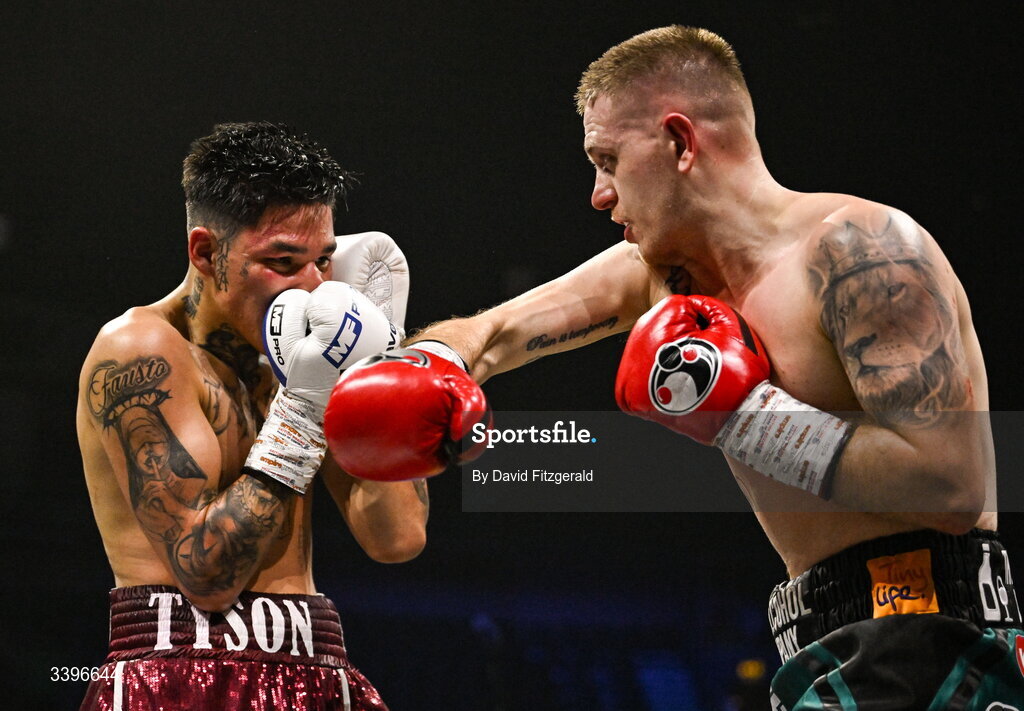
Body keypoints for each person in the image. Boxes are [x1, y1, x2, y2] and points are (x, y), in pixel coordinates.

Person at [326, 27, 1024, 709]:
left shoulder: (862, 253)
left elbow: (951, 486)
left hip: (929, 631)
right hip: (821, 633)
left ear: (680, 142)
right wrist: (430, 362)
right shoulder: (669, 277)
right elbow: (499, 330)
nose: (599, 194)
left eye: (607, 160)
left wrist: (745, 418)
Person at [76, 121, 427, 710]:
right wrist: (303, 410)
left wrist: (375, 371)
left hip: (317, 665)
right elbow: (208, 579)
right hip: (183, 676)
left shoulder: (299, 354)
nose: (312, 286)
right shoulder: (140, 352)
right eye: (283, 261)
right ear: (207, 252)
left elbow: (397, 539)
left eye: (323, 260)